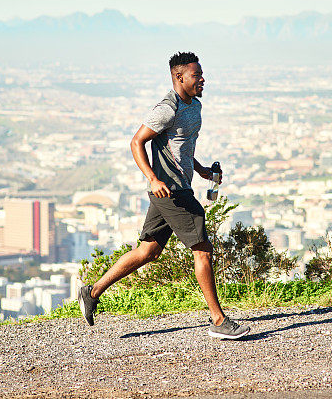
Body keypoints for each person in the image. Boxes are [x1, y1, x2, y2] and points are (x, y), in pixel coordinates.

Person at [77, 51, 250, 339]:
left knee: (149, 251)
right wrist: (153, 178)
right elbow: (136, 142)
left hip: (177, 187)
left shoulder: (194, 106)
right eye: (197, 75)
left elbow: (181, 147)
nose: (203, 79)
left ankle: (92, 292)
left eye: (202, 74)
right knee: (202, 250)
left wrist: (202, 170)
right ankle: (218, 321)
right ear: (179, 77)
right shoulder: (166, 109)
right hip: (170, 192)